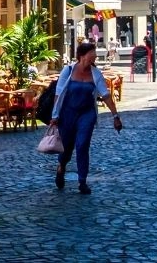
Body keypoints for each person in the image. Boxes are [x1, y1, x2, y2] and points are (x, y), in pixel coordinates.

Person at [47, 41, 122, 194]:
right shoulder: (68, 71)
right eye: (92, 55)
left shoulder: (96, 74)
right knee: (66, 147)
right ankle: (61, 166)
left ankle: (82, 181)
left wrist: (115, 116)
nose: (94, 57)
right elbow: (58, 94)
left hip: (87, 114)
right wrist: (55, 115)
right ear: (82, 56)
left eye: (95, 55)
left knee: (82, 145)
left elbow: (106, 95)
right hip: (68, 113)